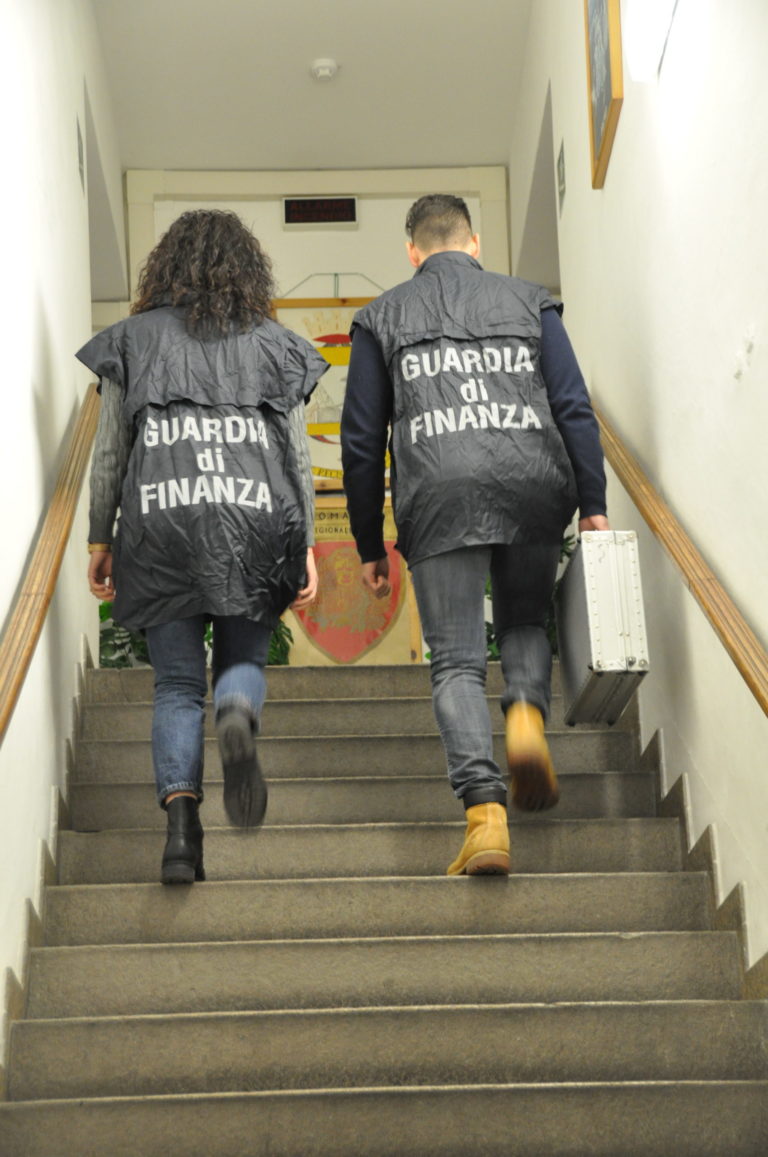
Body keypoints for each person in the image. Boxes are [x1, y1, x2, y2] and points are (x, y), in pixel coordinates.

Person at [341, 194, 609, 877]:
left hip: (439, 492)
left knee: (457, 661)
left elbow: (362, 441)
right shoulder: (530, 301)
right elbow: (572, 405)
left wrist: (370, 543)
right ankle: (525, 718)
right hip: (532, 482)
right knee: (523, 622)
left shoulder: (380, 317)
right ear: (475, 242)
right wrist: (594, 503)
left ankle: (486, 818)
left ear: (412, 251)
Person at [77, 209, 328, 884]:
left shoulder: (132, 341)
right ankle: (237, 710)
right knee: (240, 661)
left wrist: (101, 536)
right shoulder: (276, 345)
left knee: (177, 686)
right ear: (247, 270)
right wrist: (304, 543)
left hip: (160, 521)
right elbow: (296, 458)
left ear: (164, 266)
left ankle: (181, 838)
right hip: (255, 520)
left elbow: (110, 455)